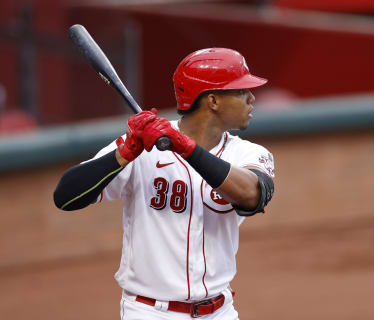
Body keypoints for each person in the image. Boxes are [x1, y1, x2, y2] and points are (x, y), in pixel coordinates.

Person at [53, 48, 275, 320]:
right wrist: (123, 155)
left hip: (220, 311)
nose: (252, 98)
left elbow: (253, 195)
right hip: (150, 312)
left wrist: (185, 147)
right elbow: (65, 196)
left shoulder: (248, 154)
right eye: (241, 91)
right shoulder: (142, 146)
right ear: (213, 101)